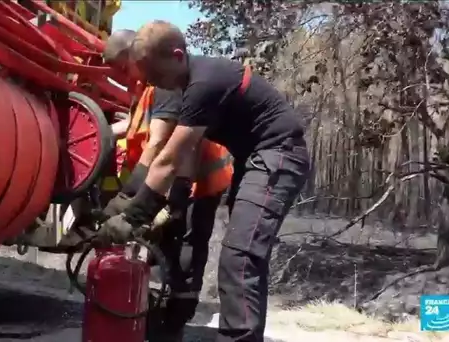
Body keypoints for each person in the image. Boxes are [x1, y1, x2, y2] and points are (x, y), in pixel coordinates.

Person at [99, 21, 311, 342]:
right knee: (242, 259)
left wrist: (131, 216)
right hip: (256, 158)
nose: (150, 82)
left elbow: (168, 157)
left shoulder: (203, 84)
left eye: (154, 74)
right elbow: (181, 156)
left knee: (240, 259)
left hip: (278, 156)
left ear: (177, 56)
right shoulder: (185, 84)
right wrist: (132, 199)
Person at [102, 30, 233, 341]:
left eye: (124, 68)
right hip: (173, 181)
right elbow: (138, 127)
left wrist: (130, 196)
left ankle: (171, 324)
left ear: (134, 58)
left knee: (183, 254)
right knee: (163, 250)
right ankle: (157, 320)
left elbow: (161, 143)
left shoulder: (165, 84)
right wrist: (100, 131)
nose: (123, 76)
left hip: (194, 185)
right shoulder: (147, 86)